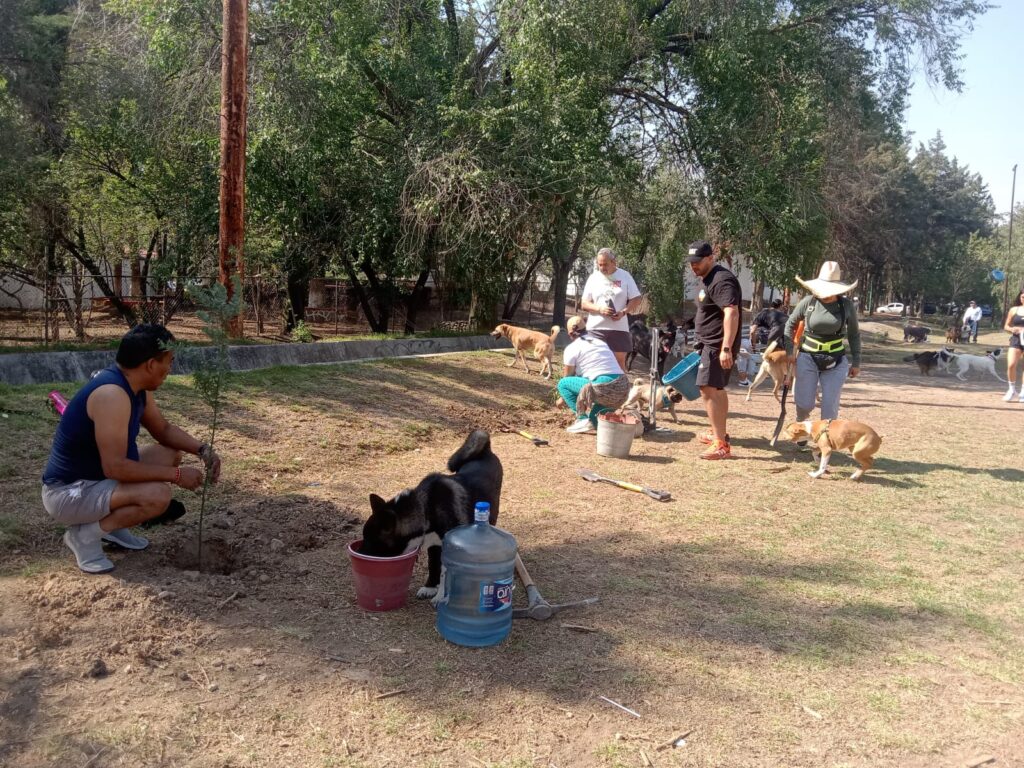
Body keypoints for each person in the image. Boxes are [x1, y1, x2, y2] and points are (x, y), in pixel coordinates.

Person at [41, 324, 222, 574]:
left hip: (98, 480)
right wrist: (178, 477)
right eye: (169, 361)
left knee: (169, 454)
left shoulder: (135, 387)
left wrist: (202, 449)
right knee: (158, 495)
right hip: (69, 493)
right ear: (150, 364)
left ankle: (113, 527)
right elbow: (115, 467)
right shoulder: (111, 396)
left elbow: (163, 430)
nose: (170, 369)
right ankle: (85, 537)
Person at [784, 262, 861, 424]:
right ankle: (802, 426)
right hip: (808, 357)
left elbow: (854, 334)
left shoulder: (846, 306)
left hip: (836, 360)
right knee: (804, 403)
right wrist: (790, 351)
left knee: (829, 407)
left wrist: (856, 361)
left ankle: (824, 443)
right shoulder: (808, 302)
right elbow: (790, 324)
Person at [688, 240, 741, 460]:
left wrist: (726, 348)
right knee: (716, 388)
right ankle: (718, 432)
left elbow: (732, 312)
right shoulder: (708, 278)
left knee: (708, 389)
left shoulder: (722, 279)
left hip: (717, 345)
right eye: (691, 262)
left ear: (711, 258)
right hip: (709, 344)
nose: (694, 266)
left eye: (698, 262)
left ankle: (720, 444)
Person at [557, 315, 629, 434]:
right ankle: (589, 422)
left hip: (604, 387)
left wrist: (562, 398)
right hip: (623, 388)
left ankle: (581, 418)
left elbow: (568, 377)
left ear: (570, 334)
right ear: (586, 329)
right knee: (594, 423)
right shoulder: (601, 343)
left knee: (562, 384)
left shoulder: (572, 348)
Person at [579, 248, 643, 372]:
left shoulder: (625, 276)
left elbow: (636, 298)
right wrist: (599, 309)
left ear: (614, 262)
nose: (602, 268)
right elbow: (584, 303)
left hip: (619, 328)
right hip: (596, 328)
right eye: (600, 264)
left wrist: (624, 312)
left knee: (619, 363)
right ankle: (595, 390)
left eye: (605, 264)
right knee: (595, 362)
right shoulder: (593, 278)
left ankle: (620, 390)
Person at [1000, 286, 1024, 402]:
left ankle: (1023, 392)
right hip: (1016, 340)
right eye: (1023, 296)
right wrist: (1012, 329)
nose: (1023, 299)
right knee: (1011, 365)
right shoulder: (1014, 310)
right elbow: (1006, 325)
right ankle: (1011, 389)